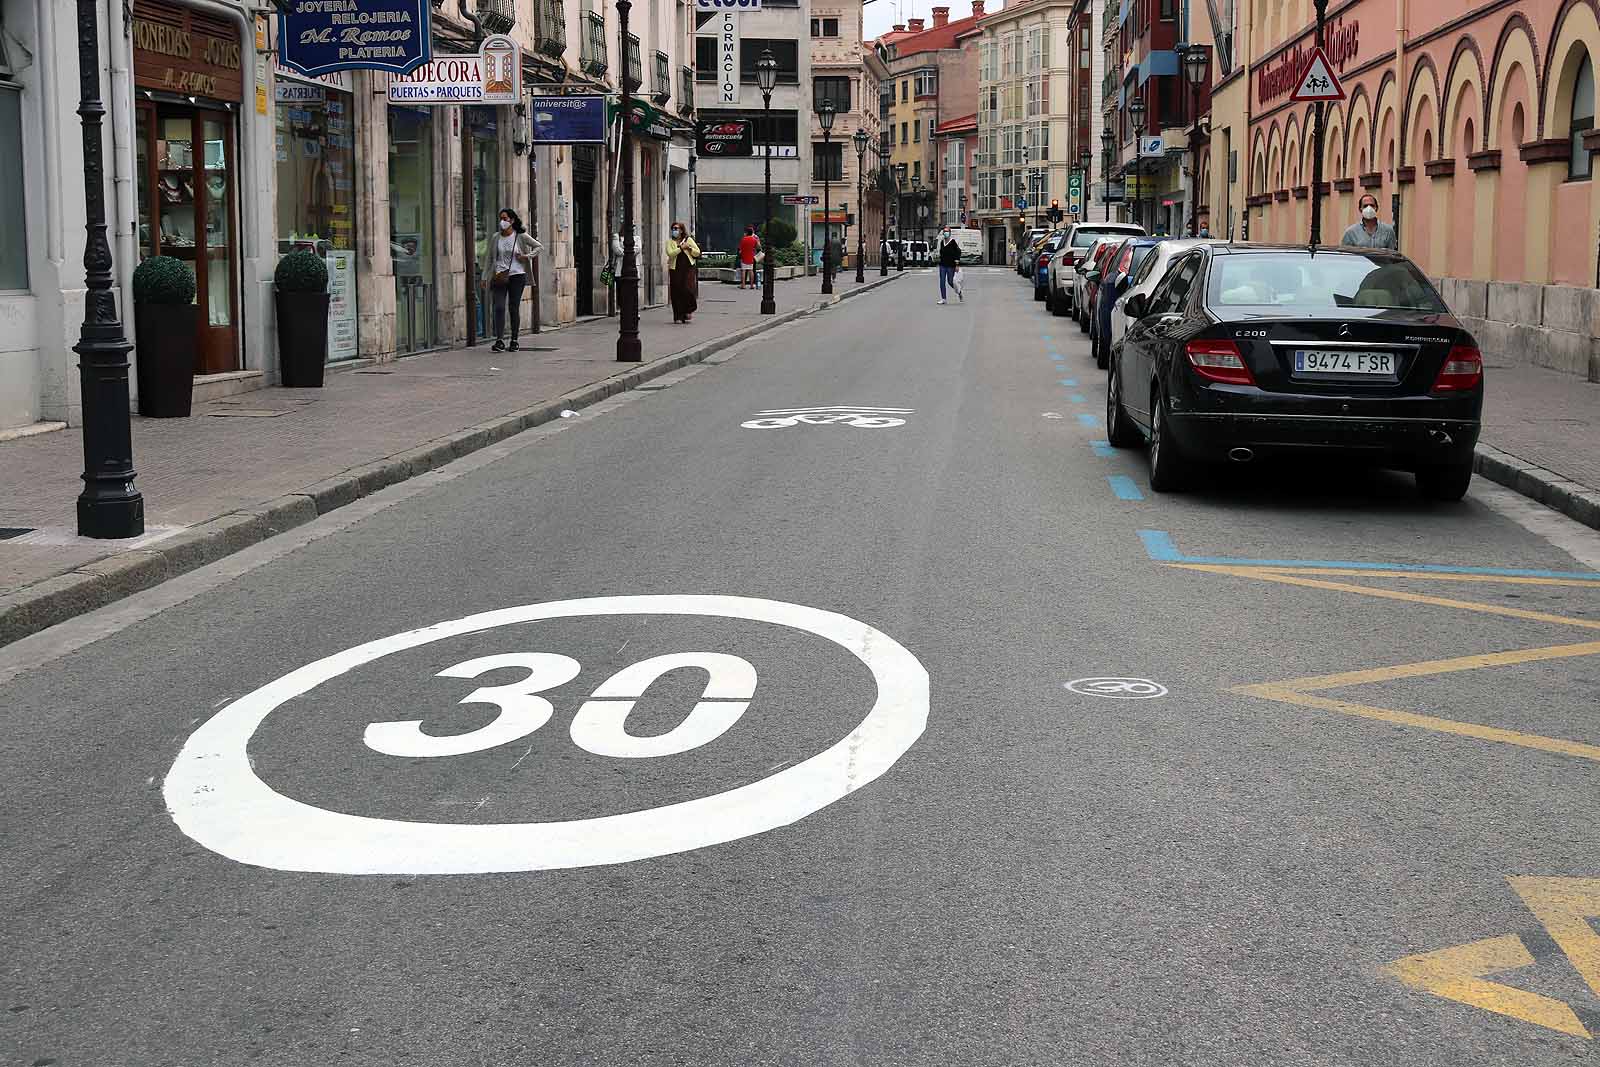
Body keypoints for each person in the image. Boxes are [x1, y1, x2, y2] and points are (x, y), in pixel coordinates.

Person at [482, 208, 541, 352]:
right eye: (500, 218)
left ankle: (514, 340)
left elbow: (538, 247)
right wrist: (484, 277)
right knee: (499, 307)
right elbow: (489, 259)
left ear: (512, 220)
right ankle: (500, 340)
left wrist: (526, 257)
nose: (502, 221)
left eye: (505, 219)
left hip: (517, 276)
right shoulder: (496, 237)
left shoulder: (520, 236)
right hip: (499, 276)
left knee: (513, 308)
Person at [666, 221, 700, 323]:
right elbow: (670, 254)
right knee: (676, 292)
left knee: (687, 289)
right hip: (675, 269)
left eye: (676, 228)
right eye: (673, 229)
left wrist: (688, 248)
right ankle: (677, 316)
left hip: (687, 269)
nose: (674, 231)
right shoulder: (670, 242)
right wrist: (681, 248)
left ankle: (687, 311)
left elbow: (697, 252)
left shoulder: (688, 240)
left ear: (681, 230)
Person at [936, 227, 962, 304]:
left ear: (950, 233)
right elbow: (941, 253)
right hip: (942, 265)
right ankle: (943, 298)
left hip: (951, 265)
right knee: (942, 281)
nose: (945, 233)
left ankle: (959, 292)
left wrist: (957, 264)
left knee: (950, 281)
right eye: (944, 232)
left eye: (947, 232)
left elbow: (958, 253)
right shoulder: (941, 242)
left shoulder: (953, 242)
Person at [738, 225, 760, 289]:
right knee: (751, 270)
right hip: (751, 256)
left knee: (743, 271)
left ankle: (743, 285)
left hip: (744, 256)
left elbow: (740, 249)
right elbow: (758, 247)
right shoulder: (754, 239)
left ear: (747, 232)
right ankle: (751, 285)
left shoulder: (743, 239)